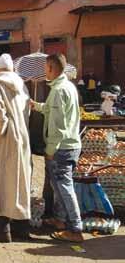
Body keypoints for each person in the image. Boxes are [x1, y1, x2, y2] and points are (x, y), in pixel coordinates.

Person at [31, 54, 84, 243]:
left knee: (64, 188)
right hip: (70, 145)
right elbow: (51, 110)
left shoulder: (60, 90)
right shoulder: (66, 87)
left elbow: (59, 126)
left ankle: (75, 228)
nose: (45, 71)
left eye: (46, 67)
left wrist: (50, 150)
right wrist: (35, 105)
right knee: (60, 187)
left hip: (62, 147)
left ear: (51, 68)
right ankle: (61, 220)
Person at [0, 53, 32, 243]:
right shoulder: (22, 85)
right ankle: (22, 229)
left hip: (3, 140)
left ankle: (2, 231)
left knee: (0, 183)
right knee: (19, 183)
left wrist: (1, 128)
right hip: (21, 137)